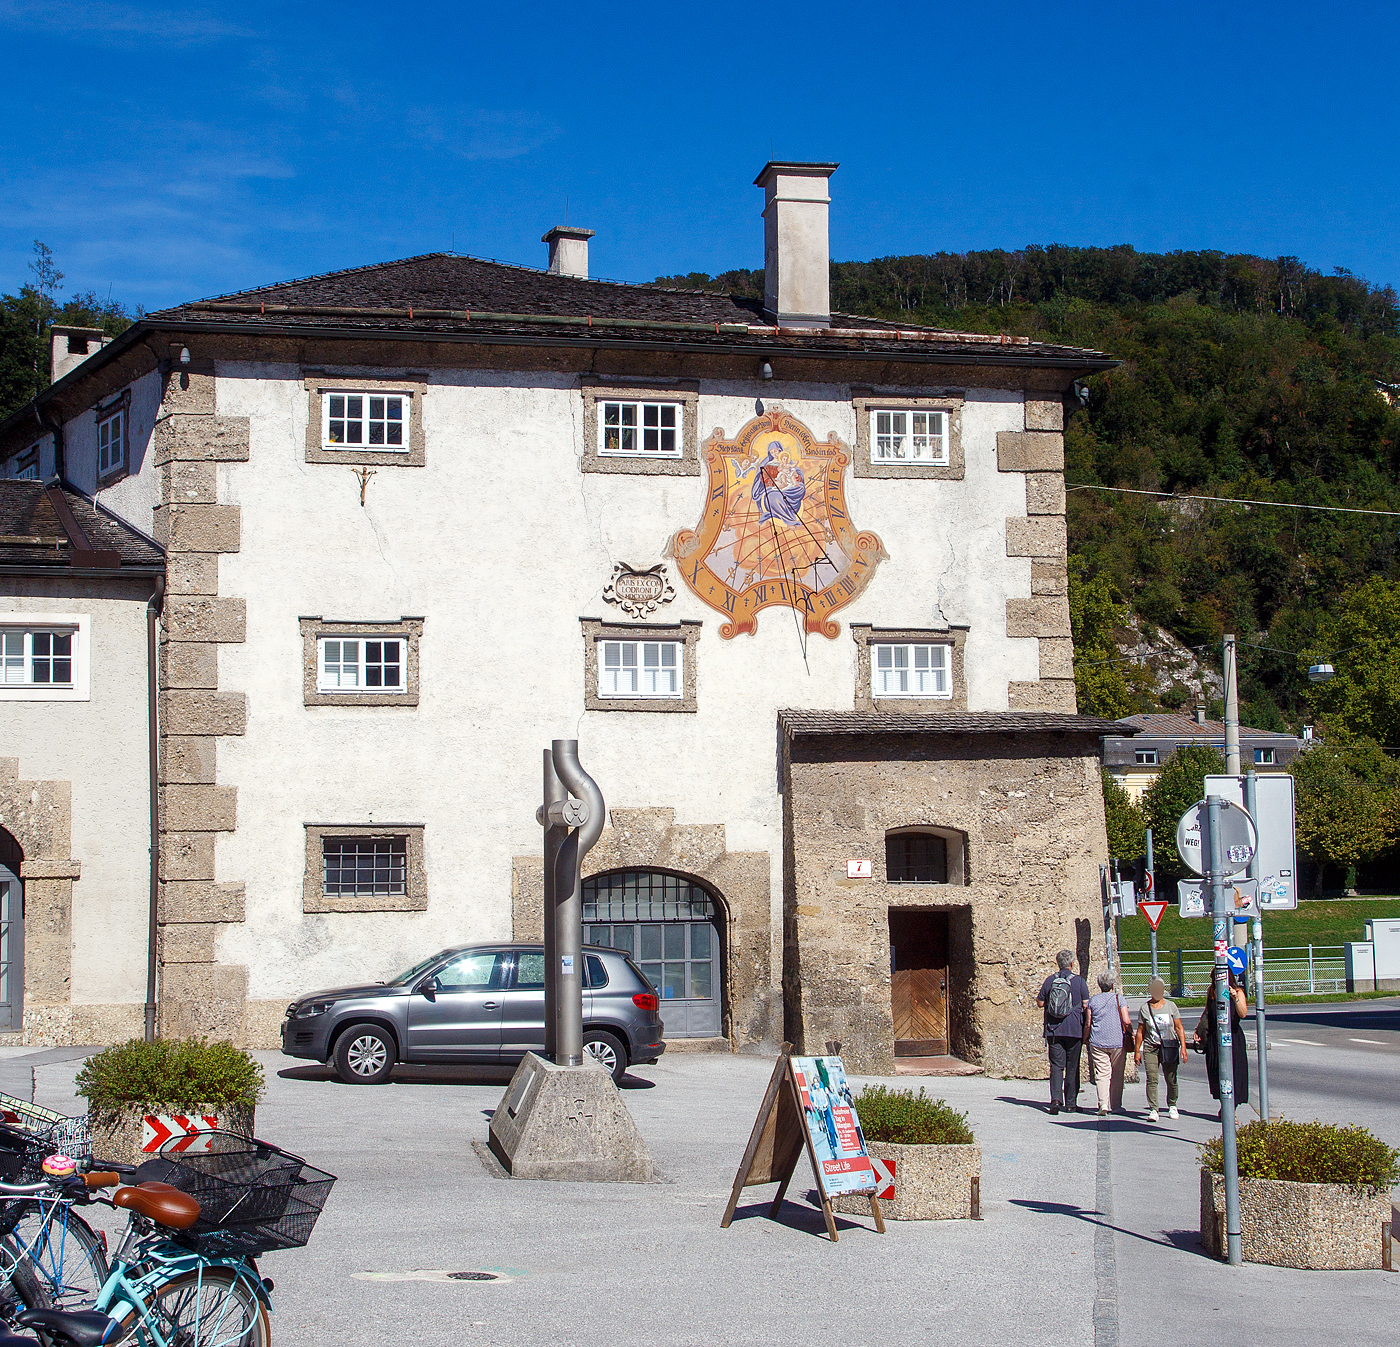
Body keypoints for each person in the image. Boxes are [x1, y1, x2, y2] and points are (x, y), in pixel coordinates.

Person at [1037, 950, 1089, 1114]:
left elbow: (1040, 1002)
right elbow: (1086, 1004)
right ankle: (1071, 1103)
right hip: (1074, 1029)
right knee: (1072, 1066)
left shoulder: (1050, 980)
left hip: (1054, 1029)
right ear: (1072, 964)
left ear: (1058, 963)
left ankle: (1055, 1100)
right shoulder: (1079, 981)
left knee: (1056, 1066)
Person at [1193, 970, 1250, 1118]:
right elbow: (1207, 1012)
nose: (1216, 982)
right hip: (1215, 1037)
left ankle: (1232, 1110)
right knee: (1216, 1071)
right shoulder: (1212, 992)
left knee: (1235, 1072)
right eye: (1214, 980)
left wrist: (1235, 998)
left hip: (1233, 1036)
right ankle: (1224, 1104)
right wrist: (1199, 1029)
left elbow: (1243, 1013)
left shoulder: (1238, 992)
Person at [1134, 975, 1187, 1122]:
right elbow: (1140, 1031)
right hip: (1151, 1047)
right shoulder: (1145, 1008)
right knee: (1152, 1078)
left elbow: (1179, 1027)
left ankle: (1172, 1104)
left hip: (1169, 1046)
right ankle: (1153, 1109)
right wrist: (1137, 1051)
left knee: (1171, 1078)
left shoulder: (1171, 1006)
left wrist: (1183, 1047)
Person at [1084, 971, 1131, 1116]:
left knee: (1102, 1074)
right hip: (1117, 1041)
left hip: (1098, 1040)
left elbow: (1088, 1023)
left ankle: (1103, 1103)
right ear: (1112, 985)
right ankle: (1116, 1105)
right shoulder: (1119, 999)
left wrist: (1085, 1038)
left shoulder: (1093, 1001)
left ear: (1100, 985)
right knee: (1117, 1074)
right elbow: (1126, 1020)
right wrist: (1131, 1033)